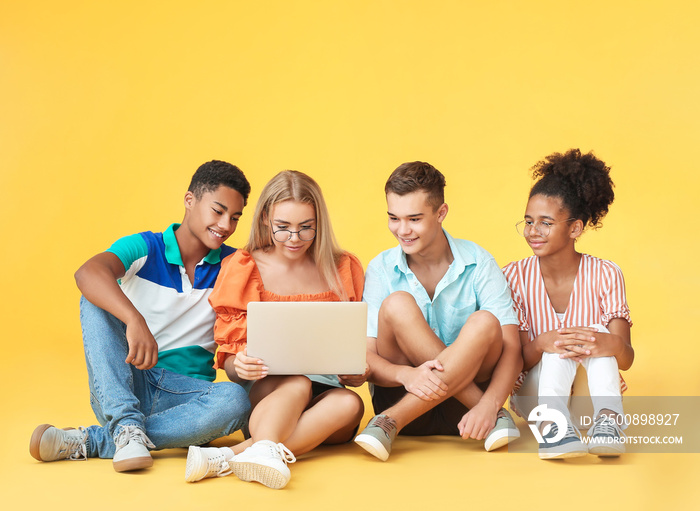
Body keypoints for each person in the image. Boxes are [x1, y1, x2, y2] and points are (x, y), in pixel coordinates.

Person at [29, 160, 253, 473]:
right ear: (190, 201)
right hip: (126, 382)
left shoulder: (234, 265)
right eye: (218, 211)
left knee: (236, 400)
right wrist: (135, 320)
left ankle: (104, 439)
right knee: (94, 299)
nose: (226, 225)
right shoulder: (146, 247)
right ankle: (124, 422)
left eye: (235, 217)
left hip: (188, 399)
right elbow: (88, 272)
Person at [185, 170, 366, 489]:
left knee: (352, 403)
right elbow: (229, 362)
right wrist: (239, 364)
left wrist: (357, 371)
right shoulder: (243, 266)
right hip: (269, 395)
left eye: (306, 228)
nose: (294, 239)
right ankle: (259, 446)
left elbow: (358, 341)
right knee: (296, 381)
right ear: (266, 218)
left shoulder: (343, 267)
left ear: (319, 223)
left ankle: (236, 455)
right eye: (283, 228)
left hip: (326, 397)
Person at [354, 161, 522, 461]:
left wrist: (489, 405)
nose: (402, 230)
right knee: (398, 303)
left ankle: (389, 420)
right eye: (393, 218)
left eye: (414, 219)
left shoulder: (479, 261)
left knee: (485, 321)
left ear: (441, 213)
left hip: (470, 417)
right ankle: (496, 416)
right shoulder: (380, 268)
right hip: (407, 393)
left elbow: (512, 349)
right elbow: (367, 355)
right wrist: (406, 374)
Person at [503, 149, 634, 459]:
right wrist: (545, 342)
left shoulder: (606, 273)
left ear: (575, 228)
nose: (533, 231)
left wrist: (604, 342)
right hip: (534, 395)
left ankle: (609, 422)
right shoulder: (513, 276)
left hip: (590, 395)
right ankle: (553, 426)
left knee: (590, 331)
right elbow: (517, 360)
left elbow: (626, 358)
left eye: (546, 223)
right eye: (528, 221)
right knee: (560, 343)